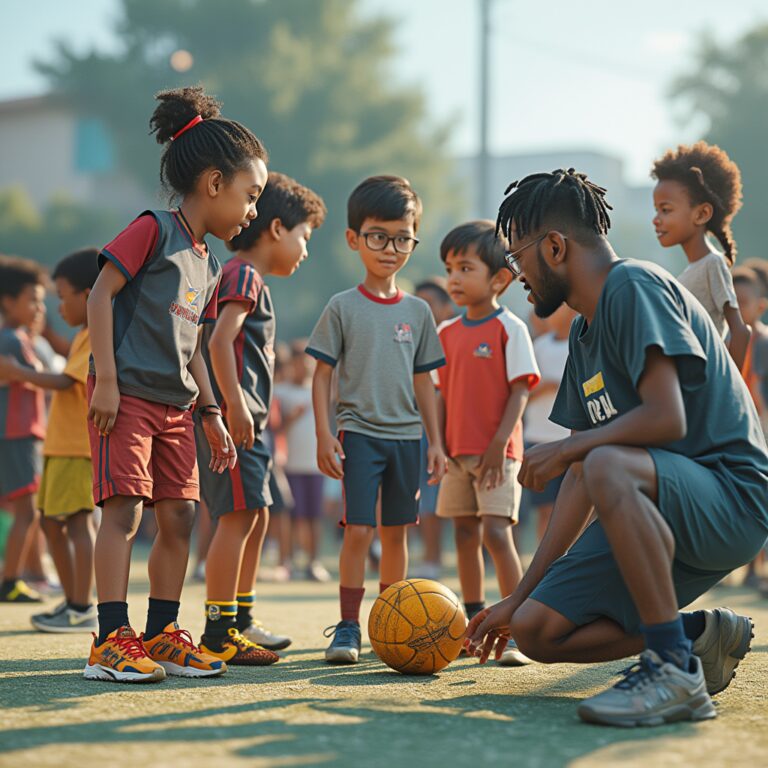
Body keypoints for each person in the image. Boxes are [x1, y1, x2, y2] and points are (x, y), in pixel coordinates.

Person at [466, 168, 768, 727]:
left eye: (517, 257)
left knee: (602, 459)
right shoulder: (583, 334)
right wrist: (518, 596)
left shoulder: (633, 286)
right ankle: (696, 635)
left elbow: (665, 418)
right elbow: (582, 476)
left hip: (731, 501)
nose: (517, 273)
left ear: (555, 247)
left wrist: (567, 451)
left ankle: (673, 670)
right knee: (537, 630)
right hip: (656, 498)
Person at [84, 86, 267, 682]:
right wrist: (106, 380)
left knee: (181, 517)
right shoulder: (153, 229)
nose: (253, 211)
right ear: (214, 183)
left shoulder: (210, 264)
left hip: (177, 409)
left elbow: (195, 352)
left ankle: (162, 634)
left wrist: (211, 414)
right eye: (251, 195)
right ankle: (109, 640)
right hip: (126, 399)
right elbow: (99, 296)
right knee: (123, 513)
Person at [308, 175, 447, 664]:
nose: (390, 249)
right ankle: (348, 627)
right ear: (354, 239)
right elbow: (321, 375)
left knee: (397, 532)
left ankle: (391, 623)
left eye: (402, 238)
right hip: (360, 435)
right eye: (378, 237)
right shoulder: (341, 307)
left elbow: (426, 382)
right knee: (358, 531)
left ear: (413, 240)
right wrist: (324, 433)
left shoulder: (419, 311)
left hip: (408, 439)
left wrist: (435, 442)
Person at [198, 172, 326, 664]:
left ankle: (242, 617)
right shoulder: (244, 275)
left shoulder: (250, 280)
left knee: (258, 512)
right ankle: (219, 632)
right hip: (234, 421)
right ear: (276, 229)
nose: (305, 250)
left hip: (249, 422)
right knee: (237, 517)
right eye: (305, 237)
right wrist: (232, 405)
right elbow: (218, 342)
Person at [436, 221, 540, 667]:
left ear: (499, 279)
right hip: (456, 455)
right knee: (463, 533)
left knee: (497, 533)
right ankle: (474, 621)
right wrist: (438, 444)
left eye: (465, 268)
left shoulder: (509, 327)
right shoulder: (445, 332)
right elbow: (440, 395)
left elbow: (521, 390)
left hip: (499, 455)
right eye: (449, 269)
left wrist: (499, 443)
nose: (454, 278)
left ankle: (514, 626)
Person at [0, 249, 100, 630]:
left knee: (77, 523)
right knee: (52, 525)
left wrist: (17, 373)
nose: (55, 307)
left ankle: (81, 605)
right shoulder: (81, 337)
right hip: (59, 447)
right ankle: (72, 601)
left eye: (61, 297)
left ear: (88, 295)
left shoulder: (95, 336)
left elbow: (63, 381)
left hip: (76, 447)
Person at [651, 142, 750, 370]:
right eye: (656, 210)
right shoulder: (686, 274)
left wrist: (729, 386)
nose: (656, 219)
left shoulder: (712, 264)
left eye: (665, 210)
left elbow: (740, 332)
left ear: (702, 213)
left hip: (707, 384)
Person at [0, 257, 47, 603]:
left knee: (24, 510)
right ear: (8, 301)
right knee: (27, 511)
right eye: (33, 300)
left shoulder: (19, 338)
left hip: (19, 434)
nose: (39, 308)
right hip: (16, 434)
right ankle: (10, 581)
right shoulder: (11, 341)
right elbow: (43, 379)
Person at [275, 340, 331, 583]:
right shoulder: (280, 392)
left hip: (315, 465)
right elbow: (275, 428)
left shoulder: (320, 390)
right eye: (298, 362)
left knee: (314, 516)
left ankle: (313, 562)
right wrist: (290, 418)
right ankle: (286, 562)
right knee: (290, 517)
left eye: (308, 362)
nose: (304, 367)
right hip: (289, 465)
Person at [522, 303, 576, 541]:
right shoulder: (539, 346)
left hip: (572, 439)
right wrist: (545, 387)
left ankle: (572, 558)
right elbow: (521, 393)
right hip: (539, 438)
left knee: (574, 509)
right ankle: (545, 559)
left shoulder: (580, 343)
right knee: (545, 510)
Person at [412, 278, 454, 579]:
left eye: (428, 304)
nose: (422, 311)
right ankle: (431, 557)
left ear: (447, 307)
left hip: (455, 430)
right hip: (419, 429)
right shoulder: (411, 340)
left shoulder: (454, 337)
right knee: (425, 496)